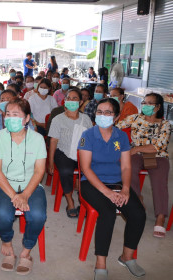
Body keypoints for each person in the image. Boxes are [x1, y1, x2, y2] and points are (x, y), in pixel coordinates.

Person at [78, 98, 146, 280]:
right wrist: (107, 193)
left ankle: (127, 257)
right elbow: (86, 168)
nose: (102, 115)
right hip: (91, 183)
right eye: (99, 111)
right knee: (107, 212)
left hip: (116, 182)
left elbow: (125, 167)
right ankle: (101, 263)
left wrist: (125, 189)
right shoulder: (88, 135)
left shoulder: (121, 137)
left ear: (115, 117)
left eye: (108, 112)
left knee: (138, 213)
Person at [0, 97, 47, 275]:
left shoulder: (37, 139)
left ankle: (26, 250)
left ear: (27, 118)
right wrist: (15, 196)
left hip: (31, 184)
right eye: (8, 114)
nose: (10, 118)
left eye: (16, 114)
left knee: (37, 215)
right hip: (3, 185)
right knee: (2, 214)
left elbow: (39, 171)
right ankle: (6, 242)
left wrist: (25, 194)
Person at [117, 93, 171, 238]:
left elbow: (159, 146)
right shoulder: (135, 118)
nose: (145, 105)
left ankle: (160, 217)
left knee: (160, 180)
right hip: (136, 154)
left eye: (149, 103)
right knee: (128, 168)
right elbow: (118, 126)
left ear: (158, 107)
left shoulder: (165, 124)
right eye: (144, 102)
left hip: (157, 155)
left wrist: (136, 149)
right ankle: (137, 200)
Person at [48, 89, 92, 218]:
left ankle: (85, 201)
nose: (72, 101)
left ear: (80, 102)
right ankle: (70, 201)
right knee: (66, 170)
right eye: (69, 98)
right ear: (65, 101)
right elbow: (53, 141)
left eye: (75, 98)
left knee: (89, 170)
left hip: (81, 153)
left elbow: (90, 139)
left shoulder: (86, 119)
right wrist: (50, 162)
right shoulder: (58, 119)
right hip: (63, 152)